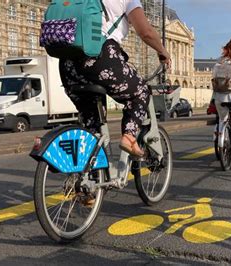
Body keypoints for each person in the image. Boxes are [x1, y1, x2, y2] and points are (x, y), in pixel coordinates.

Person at [58, 0, 171, 158]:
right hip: (99, 59)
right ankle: (130, 136)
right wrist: (162, 51)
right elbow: (146, 32)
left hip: (67, 64)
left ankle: (89, 174)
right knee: (141, 91)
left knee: (93, 127)